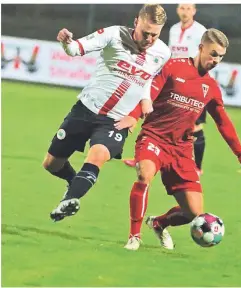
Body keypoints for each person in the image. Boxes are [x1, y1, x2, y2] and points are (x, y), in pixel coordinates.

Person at [124, 28, 241, 251]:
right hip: (154, 137)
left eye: (220, 57)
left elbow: (223, 123)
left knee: (194, 213)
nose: (216, 60)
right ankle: (134, 236)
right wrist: (134, 116)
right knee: (144, 175)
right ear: (201, 48)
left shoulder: (211, 87)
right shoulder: (174, 67)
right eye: (213, 54)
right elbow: (149, 94)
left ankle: (159, 223)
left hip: (182, 149)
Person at [43, 4, 171, 222]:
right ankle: (73, 182)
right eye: (145, 33)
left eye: (154, 35)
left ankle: (69, 200)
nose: (149, 38)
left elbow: (149, 78)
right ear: (135, 23)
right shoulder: (114, 34)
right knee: (51, 164)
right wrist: (67, 42)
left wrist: (140, 108)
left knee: (98, 155)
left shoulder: (163, 53)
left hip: (115, 121)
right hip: (85, 109)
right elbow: (76, 49)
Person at [123, 4, 208, 174]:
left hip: (192, 84)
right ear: (178, 10)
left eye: (188, 8)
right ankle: (142, 156)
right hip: (171, 81)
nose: (185, 12)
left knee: (194, 126)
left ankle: (197, 167)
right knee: (153, 116)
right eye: (182, 8)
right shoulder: (175, 29)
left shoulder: (201, 31)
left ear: (194, 11)